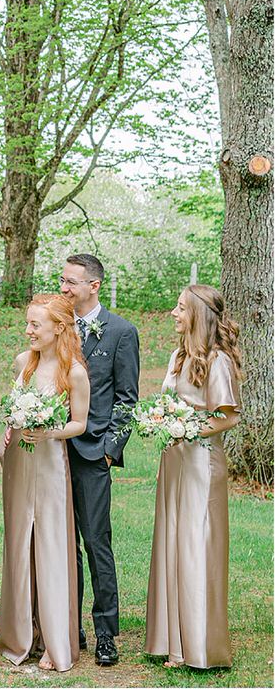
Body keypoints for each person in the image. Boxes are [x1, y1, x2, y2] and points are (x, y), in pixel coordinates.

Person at [145, 284, 242, 670]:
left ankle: (201, 644)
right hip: (173, 460)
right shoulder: (177, 356)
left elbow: (228, 416)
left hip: (202, 464)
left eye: (181, 308)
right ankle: (173, 643)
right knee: (171, 542)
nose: (173, 313)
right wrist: (163, 421)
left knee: (196, 545)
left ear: (198, 316)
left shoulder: (217, 362)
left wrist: (188, 429)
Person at [0, 293, 90, 673]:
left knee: (51, 547)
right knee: (19, 544)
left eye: (36, 324)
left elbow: (79, 424)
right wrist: (8, 429)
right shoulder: (24, 363)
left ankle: (54, 639)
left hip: (51, 464)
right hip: (19, 461)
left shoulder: (75, 373)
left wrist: (50, 432)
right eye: (28, 323)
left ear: (58, 328)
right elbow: (11, 408)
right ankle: (21, 634)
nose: (28, 330)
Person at [59, 253, 139, 667]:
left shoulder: (122, 332)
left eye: (71, 281)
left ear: (94, 286)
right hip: (56, 453)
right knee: (62, 545)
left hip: (93, 455)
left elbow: (127, 400)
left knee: (95, 544)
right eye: (61, 279)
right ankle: (69, 627)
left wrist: (110, 450)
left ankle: (106, 632)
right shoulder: (59, 327)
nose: (63, 288)